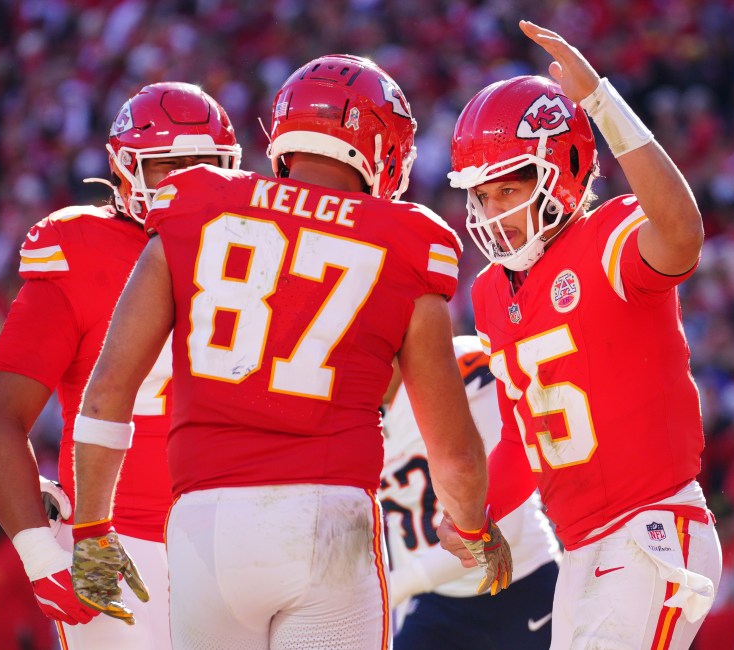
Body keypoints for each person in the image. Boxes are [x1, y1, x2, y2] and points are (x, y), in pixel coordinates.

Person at [68, 54, 509, 650]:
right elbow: (453, 453)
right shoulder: (408, 239)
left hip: (205, 525)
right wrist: (472, 526)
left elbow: (107, 391)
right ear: (383, 149)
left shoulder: (196, 203)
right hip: (328, 522)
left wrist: (93, 525)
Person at [439, 20, 723, 650]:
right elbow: (524, 431)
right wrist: (479, 517)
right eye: (480, 196)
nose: (492, 212)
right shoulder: (490, 291)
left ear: (561, 170)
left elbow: (680, 236)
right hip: (583, 550)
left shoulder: (608, 238)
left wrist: (601, 102)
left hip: (650, 528)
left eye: (507, 188)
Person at [0, 82, 241, 649]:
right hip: (119, 544)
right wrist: (42, 557)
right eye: (170, 165)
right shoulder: (81, 246)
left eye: (206, 166)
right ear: (124, 169)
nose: (189, 181)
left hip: (243, 540)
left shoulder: (257, 240)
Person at [381, 334, 559, 648]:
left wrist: (392, 589)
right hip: (437, 601)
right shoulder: (352, 412)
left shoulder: (459, 367)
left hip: (520, 584)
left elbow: (503, 525)